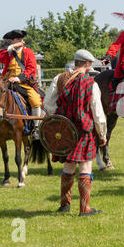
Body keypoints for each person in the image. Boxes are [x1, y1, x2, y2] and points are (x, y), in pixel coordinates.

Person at [48, 49, 107, 217]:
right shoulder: (91, 84)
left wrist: (57, 121)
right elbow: (98, 113)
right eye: (90, 64)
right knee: (85, 166)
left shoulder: (59, 78)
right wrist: (102, 134)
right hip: (84, 130)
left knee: (69, 165)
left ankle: (65, 205)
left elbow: (49, 104)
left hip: (65, 130)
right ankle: (85, 209)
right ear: (87, 64)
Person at [0, 30, 43, 140]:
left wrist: (18, 78)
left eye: (21, 39)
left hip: (23, 83)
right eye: (17, 39)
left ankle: (36, 130)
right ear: (12, 41)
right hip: (7, 84)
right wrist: (11, 47)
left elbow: (31, 69)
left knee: (36, 101)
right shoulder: (9, 52)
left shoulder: (28, 52)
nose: (21, 41)